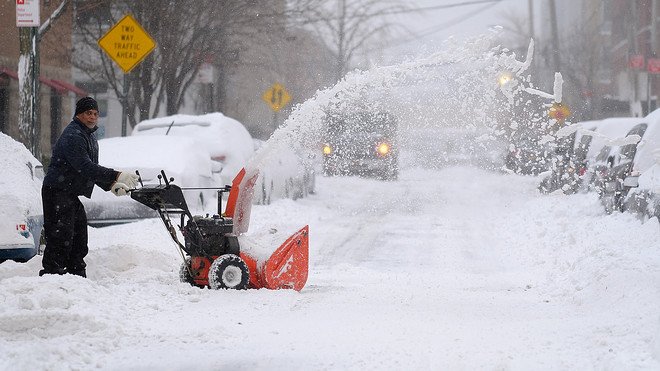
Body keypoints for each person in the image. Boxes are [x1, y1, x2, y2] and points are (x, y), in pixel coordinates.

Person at [39, 96, 139, 278]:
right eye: (88, 113)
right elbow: (84, 166)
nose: (92, 117)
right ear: (79, 115)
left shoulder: (89, 136)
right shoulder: (73, 136)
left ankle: (77, 276)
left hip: (69, 193)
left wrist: (111, 186)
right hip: (57, 192)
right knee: (61, 238)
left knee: (79, 238)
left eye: (95, 114)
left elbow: (90, 171)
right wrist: (116, 175)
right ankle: (52, 277)